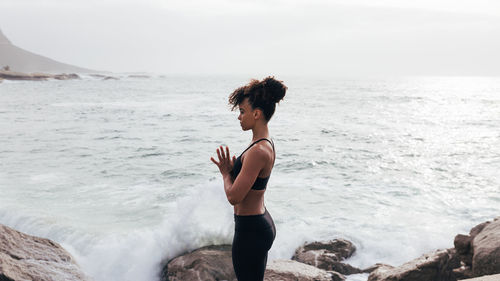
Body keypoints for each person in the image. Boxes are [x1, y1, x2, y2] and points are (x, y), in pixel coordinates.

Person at [210, 76, 287, 281]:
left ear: (257, 113)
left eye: (242, 112)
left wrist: (226, 173)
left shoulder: (258, 150)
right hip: (257, 224)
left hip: (250, 230)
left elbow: (234, 197)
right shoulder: (264, 143)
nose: (239, 117)